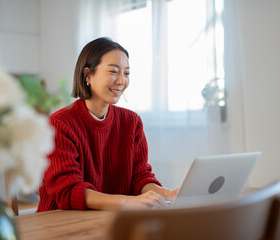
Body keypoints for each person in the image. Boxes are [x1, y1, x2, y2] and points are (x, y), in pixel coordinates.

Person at [37, 37, 178, 211]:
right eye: (113, 72)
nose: (121, 81)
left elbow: (140, 177)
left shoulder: (132, 122)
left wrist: (167, 194)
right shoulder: (59, 124)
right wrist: (127, 202)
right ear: (88, 74)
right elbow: (69, 191)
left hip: (110, 219)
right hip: (61, 223)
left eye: (126, 73)